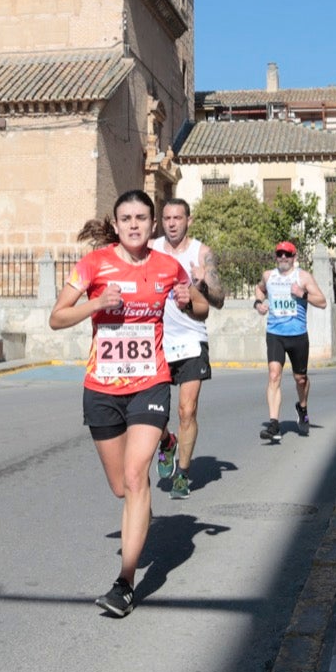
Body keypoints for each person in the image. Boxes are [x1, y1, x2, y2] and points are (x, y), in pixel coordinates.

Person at [50, 190, 206, 617]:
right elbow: (56, 316)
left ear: (153, 225)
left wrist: (189, 301)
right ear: (115, 225)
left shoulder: (167, 266)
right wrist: (96, 303)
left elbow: (203, 308)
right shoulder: (94, 265)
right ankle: (168, 439)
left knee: (137, 479)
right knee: (121, 486)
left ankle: (124, 583)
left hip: (150, 384)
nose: (134, 224)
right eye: (126, 218)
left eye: (142, 217)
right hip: (102, 388)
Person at [149, 198, 223, 500]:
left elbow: (219, 300)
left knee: (187, 409)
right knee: (153, 413)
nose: (172, 223)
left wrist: (202, 283)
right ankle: (166, 441)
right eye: (167, 217)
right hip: (155, 340)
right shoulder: (151, 249)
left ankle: (182, 473)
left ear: (188, 220)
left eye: (178, 217)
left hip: (191, 340)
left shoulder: (201, 253)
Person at [254, 240, 327, 440]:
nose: (283, 258)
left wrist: (302, 293)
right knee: (274, 375)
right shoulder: (269, 276)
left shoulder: (303, 277)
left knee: (300, 379)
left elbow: (322, 302)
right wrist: (259, 303)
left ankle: (302, 407)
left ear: (294, 257)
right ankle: (274, 424)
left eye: (287, 254)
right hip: (275, 333)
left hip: (298, 335)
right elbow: (259, 289)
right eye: (280, 254)